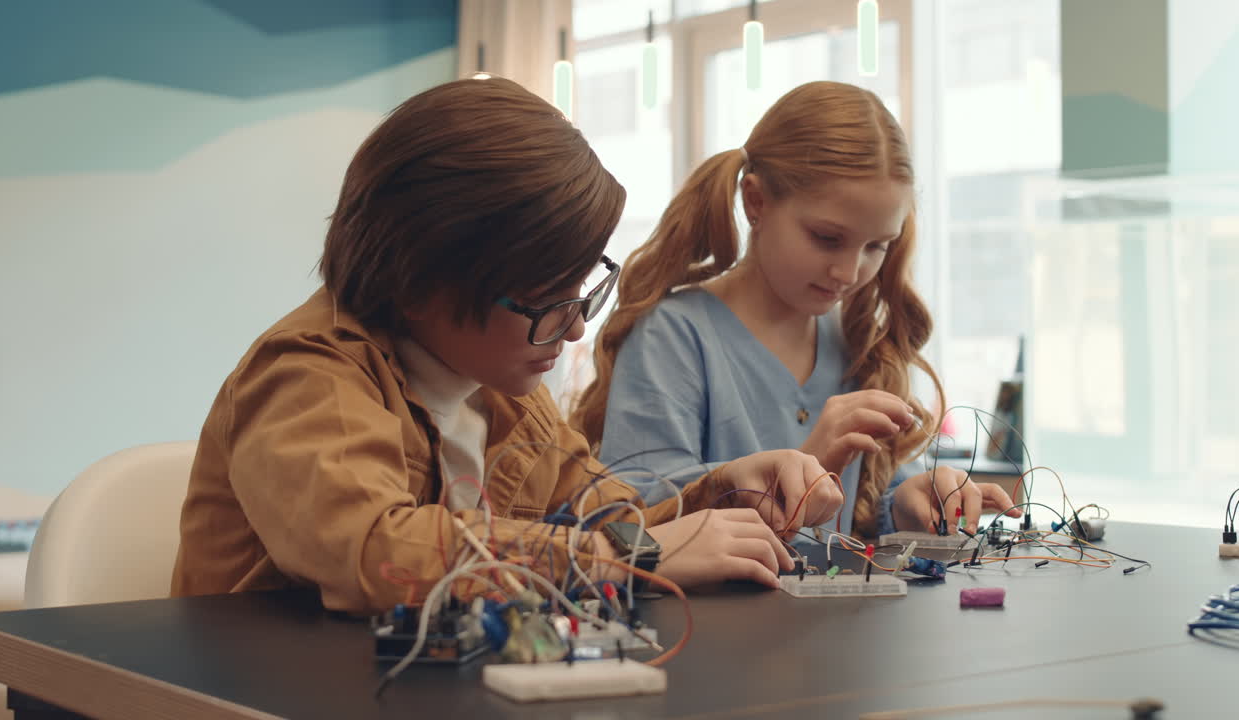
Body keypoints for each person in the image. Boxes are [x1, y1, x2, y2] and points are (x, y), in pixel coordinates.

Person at [170, 78, 844, 615]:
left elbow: (615, 516)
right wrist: (626, 557)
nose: (575, 327)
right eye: (548, 300)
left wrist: (720, 496)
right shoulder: (307, 376)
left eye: (581, 291)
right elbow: (378, 552)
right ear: (424, 283)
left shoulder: (504, 392)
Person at [572, 81, 1020, 541]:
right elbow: (632, 523)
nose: (848, 272)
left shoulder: (855, 339)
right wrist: (809, 464)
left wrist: (904, 508)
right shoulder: (670, 338)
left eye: (876, 246)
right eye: (828, 238)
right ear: (756, 202)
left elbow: (857, 518)